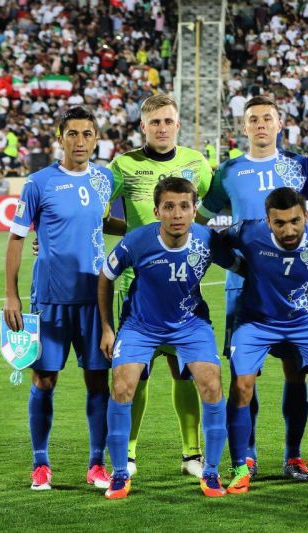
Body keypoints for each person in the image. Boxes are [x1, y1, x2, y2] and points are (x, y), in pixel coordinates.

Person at [198, 95, 308, 480]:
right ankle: (246, 457)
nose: (261, 124)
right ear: (245, 126)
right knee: (243, 375)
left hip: (294, 290)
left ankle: (293, 456)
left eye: (268, 118)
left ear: (280, 123)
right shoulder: (229, 171)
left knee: (295, 372)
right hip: (243, 287)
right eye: (254, 119)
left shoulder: (301, 166)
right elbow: (201, 223)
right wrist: (233, 263)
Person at [4, 106, 124, 491]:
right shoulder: (38, 183)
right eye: (72, 133)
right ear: (60, 138)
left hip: (95, 297)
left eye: (87, 134)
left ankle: (96, 465)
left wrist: (140, 231)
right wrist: (11, 295)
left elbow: (102, 220)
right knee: (44, 380)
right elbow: (17, 238)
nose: (80, 141)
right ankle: (40, 465)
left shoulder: (105, 178)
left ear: (96, 138)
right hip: (49, 299)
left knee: (98, 381)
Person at [213, 187, 308, 493]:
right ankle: (240, 466)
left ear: (306, 216)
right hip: (257, 320)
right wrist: (239, 267)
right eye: (279, 223)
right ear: (268, 221)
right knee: (241, 385)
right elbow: (215, 242)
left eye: (294, 221)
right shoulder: (249, 232)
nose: (288, 230)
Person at [98, 177, 229, 499]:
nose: (177, 214)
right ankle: (119, 473)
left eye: (184, 206)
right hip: (141, 325)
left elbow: (246, 266)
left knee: (211, 384)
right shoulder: (137, 240)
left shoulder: (208, 240)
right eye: (169, 207)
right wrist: (107, 328)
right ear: (157, 211)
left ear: (195, 210)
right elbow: (105, 277)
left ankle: (211, 472)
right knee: (122, 385)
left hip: (190, 324)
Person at [108, 94, 213, 478]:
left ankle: (192, 455)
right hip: (136, 287)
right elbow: (97, 212)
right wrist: (134, 237)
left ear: (178, 124)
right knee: (136, 373)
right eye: (155, 122)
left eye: (168, 121)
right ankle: (128, 455)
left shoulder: (196, 163)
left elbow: (209, 208)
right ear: (143, 126)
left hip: (183, 287)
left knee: (184, 371)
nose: (162, 128)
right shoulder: (123, 166)